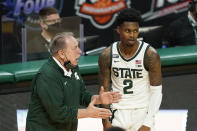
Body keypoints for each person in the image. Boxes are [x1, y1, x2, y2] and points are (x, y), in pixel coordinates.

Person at [26, 32, 122, 131]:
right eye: (75, 48)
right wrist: (87, 113)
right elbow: (58, 113)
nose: (80, 51)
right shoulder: (47, 75)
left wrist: (99, 99)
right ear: (62, 54)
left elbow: (81, 95)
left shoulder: (72, 66)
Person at [98, 8, 162, 131]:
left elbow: (156, 92)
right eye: (128, 31)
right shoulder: (107, 55)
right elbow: (103, 91)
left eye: (135, 31)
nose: (132, 35)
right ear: (118, 30)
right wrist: (105, 121)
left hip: (142, 111)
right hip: (118, 111)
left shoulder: (150, 54)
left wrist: (148, 122)